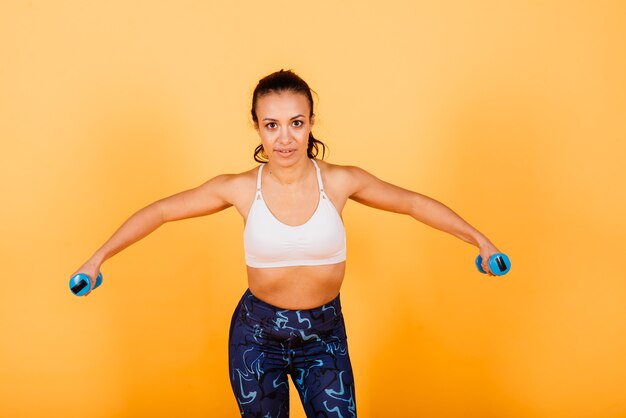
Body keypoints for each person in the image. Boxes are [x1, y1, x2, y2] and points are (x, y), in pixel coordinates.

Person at [72, 69, 502, 417]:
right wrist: (97, 259)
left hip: (324, 335)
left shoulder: (339, 182)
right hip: (256, 338)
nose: (285, 138)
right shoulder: (240, 189)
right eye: (272, 125)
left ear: (311, 123)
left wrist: (479, 241)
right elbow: (161, 211)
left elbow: (411, 203)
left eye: (296, 123)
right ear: (257, 127)